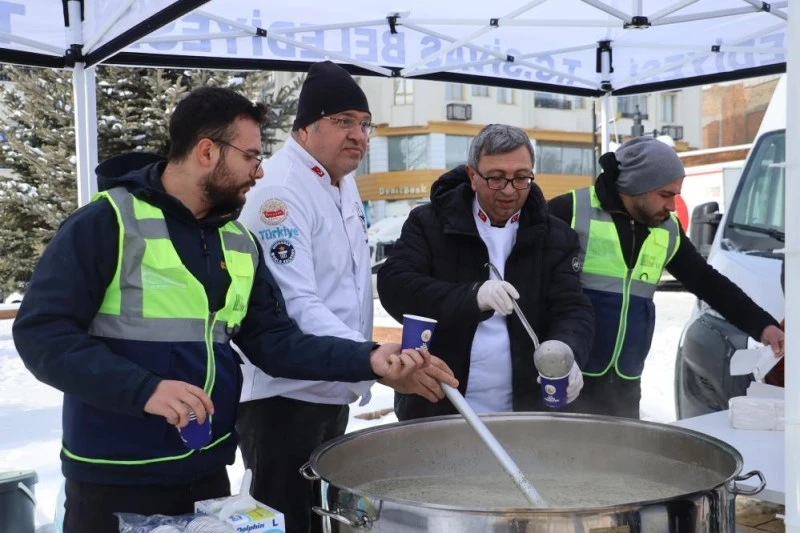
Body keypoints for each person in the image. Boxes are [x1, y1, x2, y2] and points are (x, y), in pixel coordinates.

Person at [11, 87, 450, 533]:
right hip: (113, 479)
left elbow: (275, 342)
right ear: (206, 152)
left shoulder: (238, 242)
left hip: (207, 474)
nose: (258, 173)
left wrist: (370, 358)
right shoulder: (107, 223)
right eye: (251, 158)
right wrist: (145, 390)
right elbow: (41, 333)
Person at [236, 61, 454, 533]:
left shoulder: (343, 182)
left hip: (332, 385)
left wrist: (366, 358)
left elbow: (349, 284)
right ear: (305, 127)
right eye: (342, 122)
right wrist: (374, 356)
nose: (358, 134)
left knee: (320, 519)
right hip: (283, 396)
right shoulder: (279, 190)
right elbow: (296, 306)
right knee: (287, 519)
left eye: (364, 124)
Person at [548, 136, 785, 419]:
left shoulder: (667, 228)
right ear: (636, 186)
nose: (673, 206)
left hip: (625, 381)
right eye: (665, 194)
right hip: (570, 374)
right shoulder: (569, 210)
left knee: (618, 459)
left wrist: (762, 326)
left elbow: (707, 281)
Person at [377, 124, 594, 421]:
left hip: (524, 408)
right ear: (472, 176)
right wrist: (473, 296)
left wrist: (568, 354)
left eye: (521, 178)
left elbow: (572, 308)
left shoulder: (554, 235)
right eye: (496, 178)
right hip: (438, 401)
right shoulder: (430, 223)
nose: (509, 190)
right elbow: (395, 287)